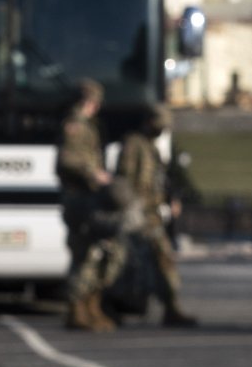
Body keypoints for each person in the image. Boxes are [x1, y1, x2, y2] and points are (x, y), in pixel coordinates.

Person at [112, 107, 197, 329]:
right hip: (138, 214)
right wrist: (130, 210)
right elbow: (124, 180)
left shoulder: (152, 149)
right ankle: (113, 306)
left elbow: (160, 181)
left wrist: (170, 200)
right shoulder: (134, 145)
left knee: (164, 259)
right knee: (126, 263)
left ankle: (171, 306)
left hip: (152, 215)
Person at [58, 80, 123, 333]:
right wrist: (93, 173)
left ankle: (89, 306)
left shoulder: (86, 125)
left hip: (87, 198)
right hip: (79, 199)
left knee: (97, 253)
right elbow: (68, 159)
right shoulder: (75, 125)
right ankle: (78, 308)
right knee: (84, 253)